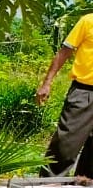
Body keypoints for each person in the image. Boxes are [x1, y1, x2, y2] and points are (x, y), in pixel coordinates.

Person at [39, 13, 93, 177]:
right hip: (84, 92)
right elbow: (64, 52)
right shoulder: (87, 21)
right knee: (65, 146)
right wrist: (47, 83)